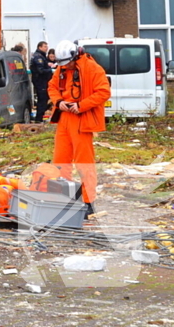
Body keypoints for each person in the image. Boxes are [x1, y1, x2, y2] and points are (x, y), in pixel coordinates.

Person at [48, 40, 111, 215]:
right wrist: (59, 102)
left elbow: (104, 92)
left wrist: (81, 105)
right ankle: (62, 198)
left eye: (67, 63)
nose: (65, 67)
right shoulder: (62, 68)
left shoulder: (92, 68)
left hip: (82, 120)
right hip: (64, 118)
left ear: (75, 56)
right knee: (60, 161)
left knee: (84, 163)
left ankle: (88, 201)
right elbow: (52, 87)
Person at [30, 41, 53, 123]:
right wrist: (50, 70)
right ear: (39, 47)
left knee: (45, 99)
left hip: (42, 81)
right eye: (44, 46)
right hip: (40, 82)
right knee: (42, 101)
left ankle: (40, 118)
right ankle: (38, 119)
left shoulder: (42, 56)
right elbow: (40, 70)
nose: (46, 48)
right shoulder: (38, 57)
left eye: (47, 46)